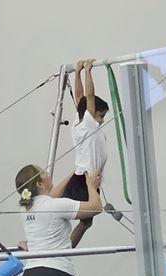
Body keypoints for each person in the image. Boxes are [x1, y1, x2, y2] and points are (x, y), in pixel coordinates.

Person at [62, 59, 109, 235]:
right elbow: (89, 96)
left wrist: (77, 72)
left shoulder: (78, 122)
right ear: (91, 114)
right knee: (84, 220)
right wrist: (88, 71)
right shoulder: (89, 125)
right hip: (86, 181)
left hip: (82, 178)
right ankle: (63, 248)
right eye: (100, 116)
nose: (102, 120)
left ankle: (64, 247)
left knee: (85, 223)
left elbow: (80, 98)